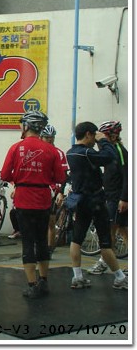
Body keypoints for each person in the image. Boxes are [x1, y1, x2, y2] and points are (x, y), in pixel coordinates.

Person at [0, 111, 66, 298]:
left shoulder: (16, 148)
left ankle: (31, 284)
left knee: (27, 241)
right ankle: (44, 281)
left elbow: (4, 175)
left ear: (27, 126)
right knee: (41, 241)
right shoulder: (51, 150)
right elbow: (60, 177)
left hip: (23, 198)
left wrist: (20, 179)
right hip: (43, 198)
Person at [66, 121, 127, 290]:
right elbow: (109, 157)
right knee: (105, 242)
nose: (95, 139)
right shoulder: (87, 153)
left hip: (80, 201)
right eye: (94, 135)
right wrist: (104, 141)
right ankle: (120, 278)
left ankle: (77, 276)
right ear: (88, 134)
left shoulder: (70, 153)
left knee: (77, 239)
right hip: (95, 201)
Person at [86, 121, 128, 276]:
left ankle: (104, 262)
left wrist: (124, 198)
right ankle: (105, 261)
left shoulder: (119, 151)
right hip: (110, 196)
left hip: (117, 198)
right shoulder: (110, 152)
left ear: (113, 136)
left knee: (118, 231)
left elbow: (127, 176)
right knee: (115, 230)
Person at [40, 124, 70, 255]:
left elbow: (64, 174)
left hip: (53, 190)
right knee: (38, 222)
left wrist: (60, 192)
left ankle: (49, 249)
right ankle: (39, 246)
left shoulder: (58, 153)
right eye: (47, 138)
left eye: (52, 137)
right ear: (41, 137)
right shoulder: (37, 151)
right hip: (39, 190)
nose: (50, 140)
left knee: (51, 221)